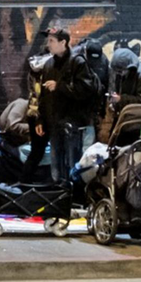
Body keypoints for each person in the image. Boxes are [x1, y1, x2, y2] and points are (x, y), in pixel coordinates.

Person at [36, 26, 102, 182]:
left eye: (52, 41)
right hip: (54, 125)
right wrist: (40, 118)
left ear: (63, 42)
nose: (48, 44)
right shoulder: (48, 65)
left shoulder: (77, 62)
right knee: (56, 166)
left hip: (73, 125)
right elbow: (43, 96)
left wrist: (59, 87)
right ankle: (59, 197)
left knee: (73, 165)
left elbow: (86, 91)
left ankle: (74, 198)